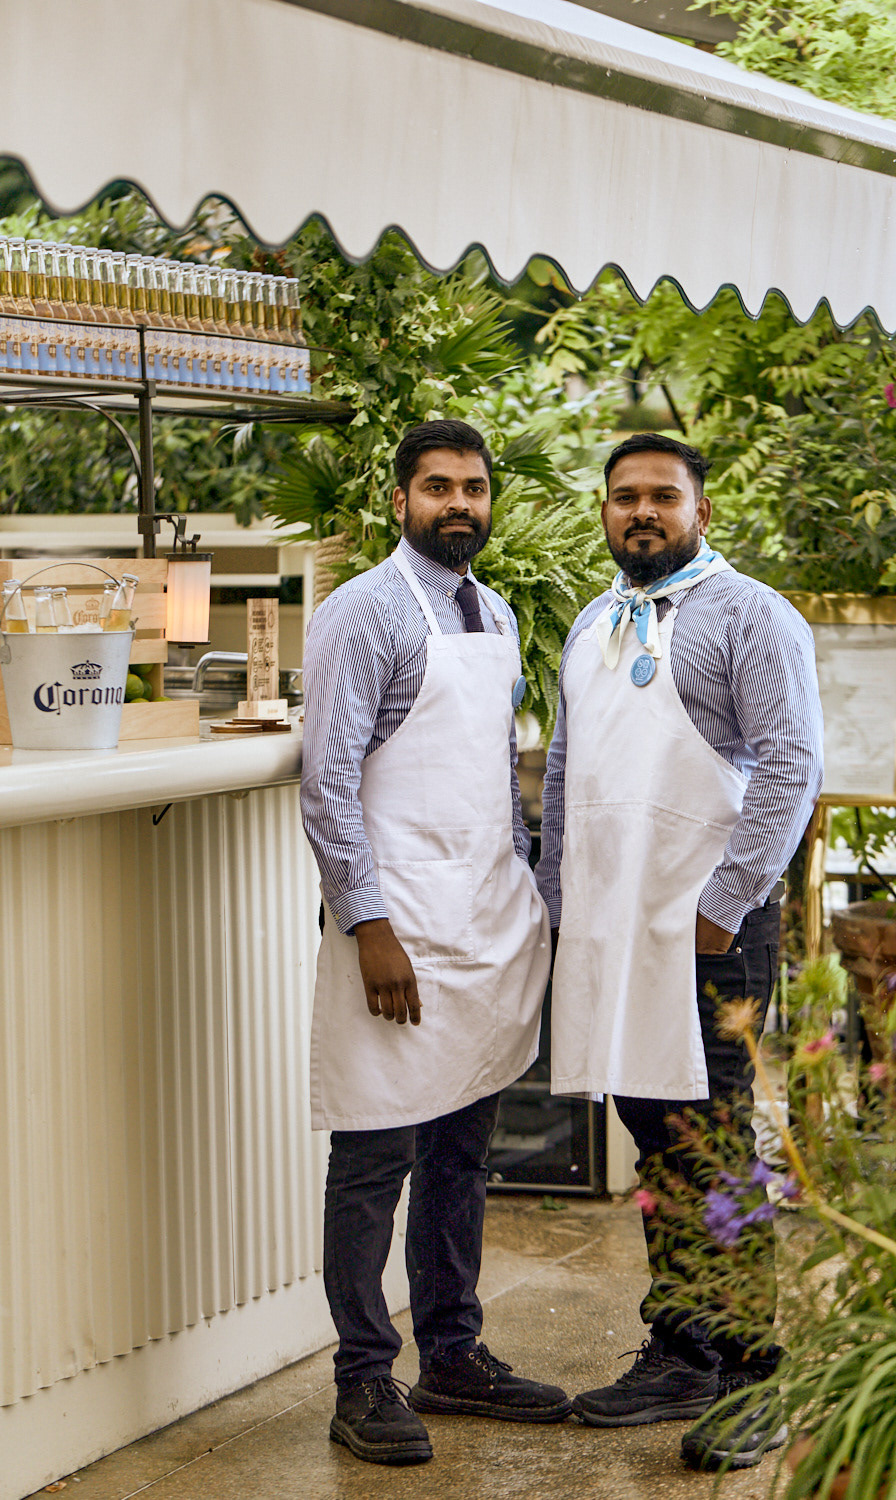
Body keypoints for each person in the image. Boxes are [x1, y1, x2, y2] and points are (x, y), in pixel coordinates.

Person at [536, 433, 823, 1470]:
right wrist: (559, 900)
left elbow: (791, 764)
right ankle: (683, 1347)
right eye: (625, 497)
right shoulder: (593, 623)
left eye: (663, 496)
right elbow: (565, 768)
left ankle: (754, 1372)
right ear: (604, 512)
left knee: (712, 1140)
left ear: (702, 511)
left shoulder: (752, 615)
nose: (643, 512)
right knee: (652, 1128)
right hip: (612, 924)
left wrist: (726, 903)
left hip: (708, 928)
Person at [301, 418, 570, 1467]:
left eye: (473, 487)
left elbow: (495, 769)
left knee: (463, 1151)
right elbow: (328, 784)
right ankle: (363, 1377)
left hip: (484, 924)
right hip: (398, 929)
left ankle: (451, 1354)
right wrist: (368, 926)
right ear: (401, 499)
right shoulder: (363, 612)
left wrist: (524, 893)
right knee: (375, 1152)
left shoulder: (492, 611)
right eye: (438, 486)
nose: (459, 502)